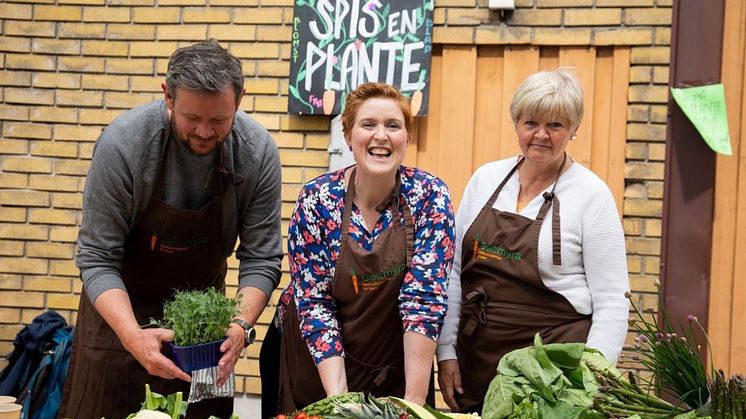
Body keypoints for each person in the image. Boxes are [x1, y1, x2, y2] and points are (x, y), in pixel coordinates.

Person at [59, 40, 283, 419]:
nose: (204, 131)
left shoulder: (257, 152)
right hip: (119, 319)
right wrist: (132, 335)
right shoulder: (124, 144)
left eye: (218, 120)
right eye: (192, 117)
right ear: (168, 96)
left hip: (205, 327)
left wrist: (240, 324)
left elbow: (262, 257)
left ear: (239, 100)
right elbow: (97, 257)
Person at [436, 68, 630, 413]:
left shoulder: (591, 196)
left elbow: (612, 302)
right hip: (479, 361)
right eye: (531, 123)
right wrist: (447, 350)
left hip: (553, 377)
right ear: (516, 123)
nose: (541, 135)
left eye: (555, 125)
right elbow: (453, 272)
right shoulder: (486, 180)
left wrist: (590, 381)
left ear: (573, 130)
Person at [270, 82, 455, 413]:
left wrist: (412, 404)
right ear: (349, 136)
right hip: (318, 362)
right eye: (368, 125)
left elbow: (423, 300)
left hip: (394, 361)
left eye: (393, 126)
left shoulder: (429, 196)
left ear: (407, 138)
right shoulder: (318, 200)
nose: (381, 136)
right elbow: (315, 303)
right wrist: (340, 403)